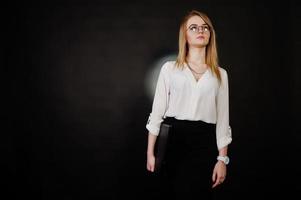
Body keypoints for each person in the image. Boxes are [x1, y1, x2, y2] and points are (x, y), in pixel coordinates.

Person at [145, 10, 233, 199]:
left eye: (205, 27)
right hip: (173, 142)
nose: (200, 30)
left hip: (204, 144)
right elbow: (157, 113)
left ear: (210, 35)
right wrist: (150, 153)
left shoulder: (220, 74)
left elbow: (223, 121)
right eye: (193, 27)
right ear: (185, 35)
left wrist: (222, 160)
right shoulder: (169, 69)